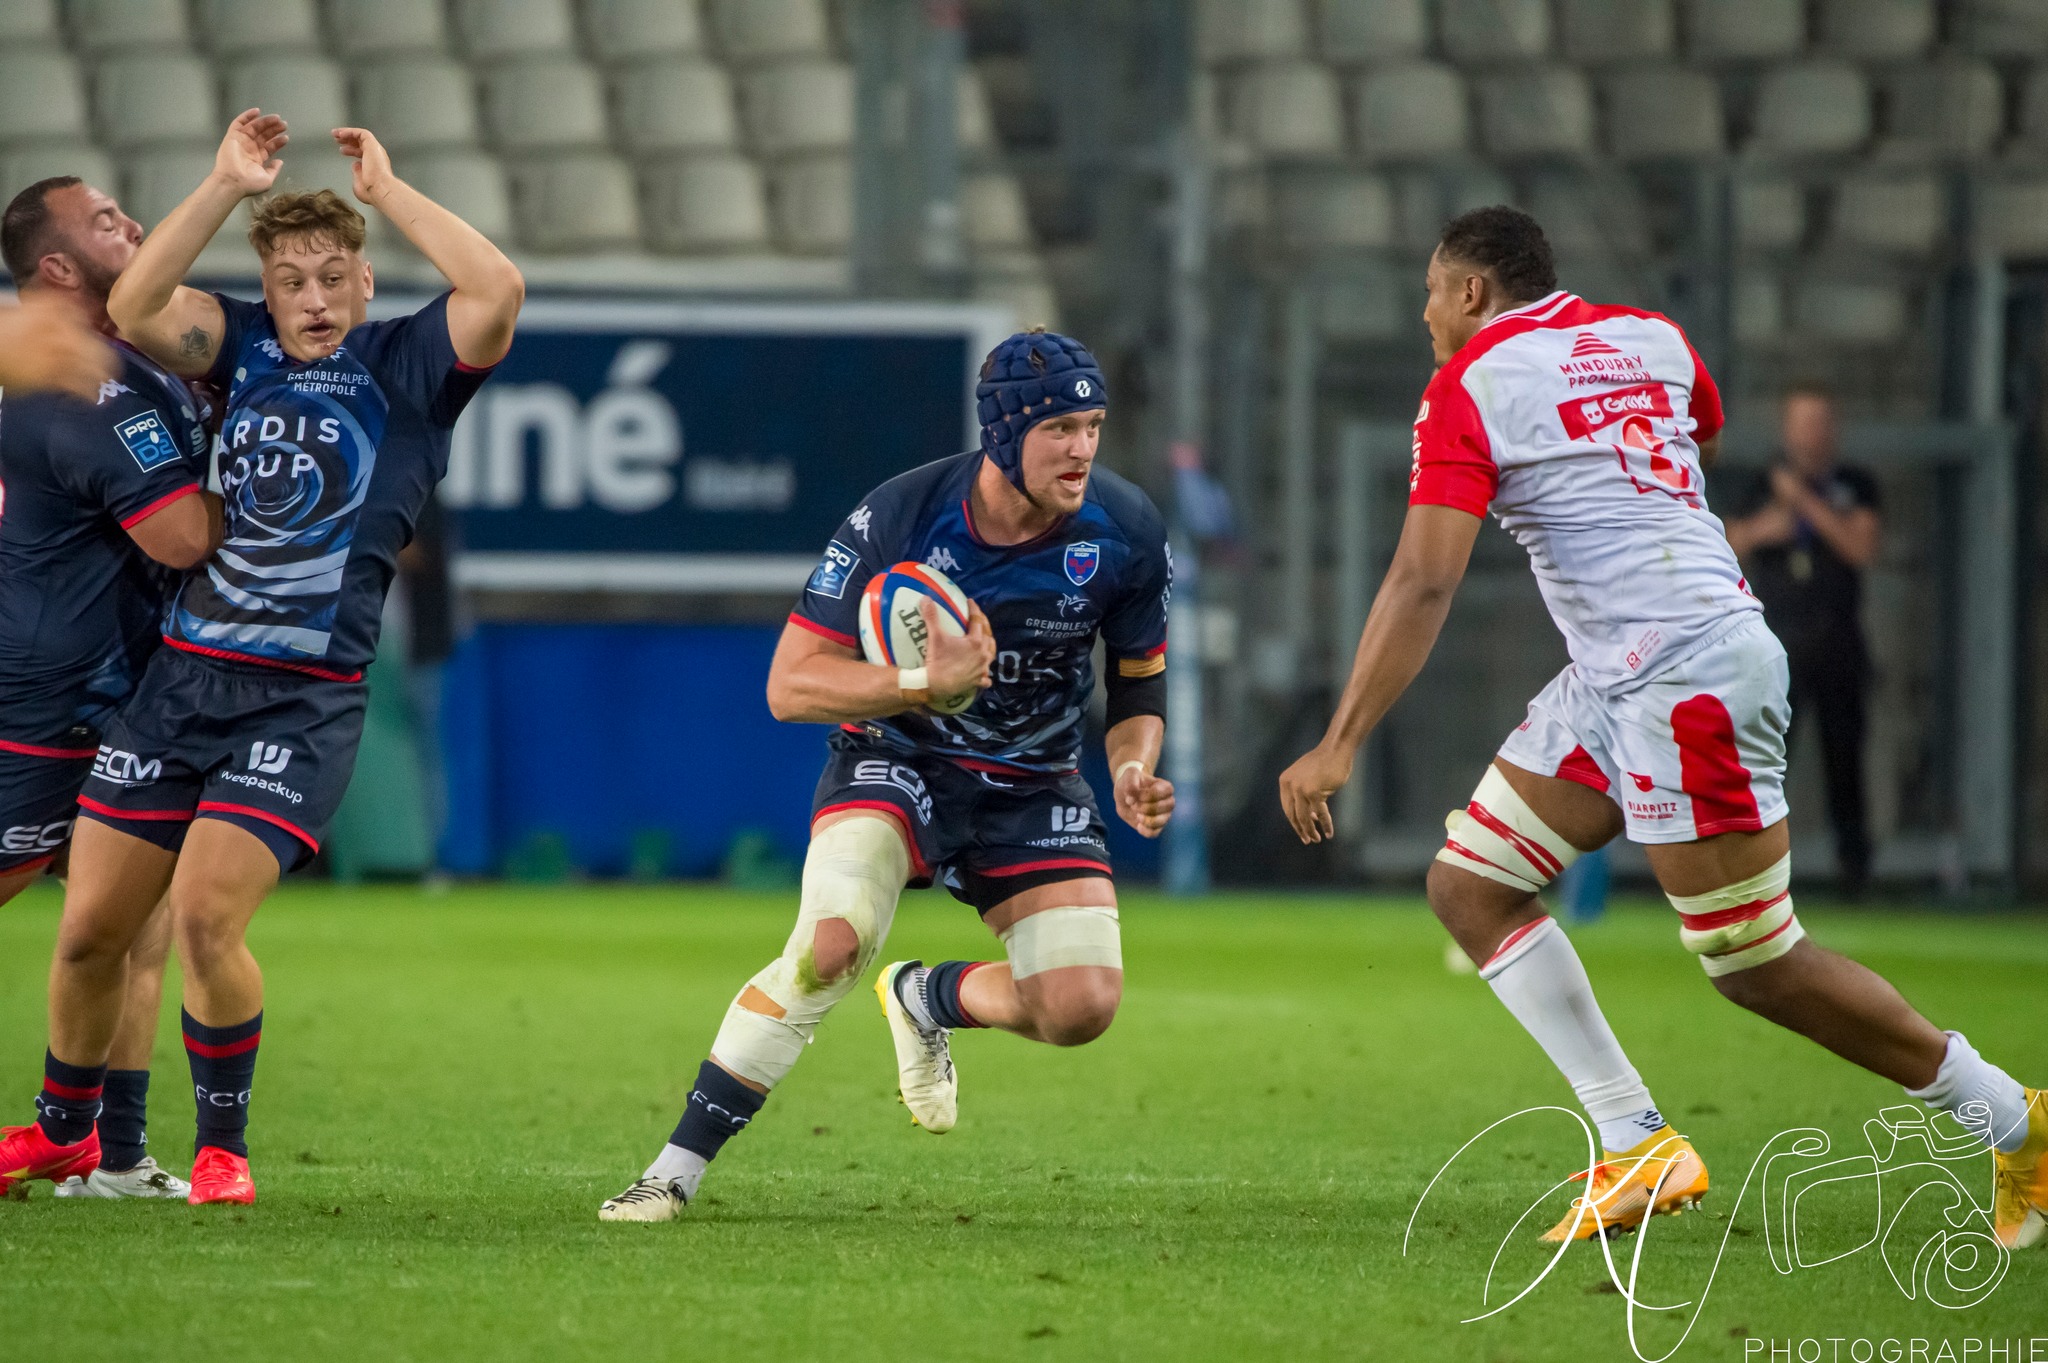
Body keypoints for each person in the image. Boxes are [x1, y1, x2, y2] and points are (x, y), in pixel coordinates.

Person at [1277, 207, 2044, 1249]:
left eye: (1429, 292)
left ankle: (2015, 1121)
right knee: (1469, 886)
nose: (1424, 315)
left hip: (1685, 678)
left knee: (1753, 960)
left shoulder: (1470, 383)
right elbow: (1698, 435)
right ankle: (1635, 1141)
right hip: (1620, 671)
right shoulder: (1651, 336)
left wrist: (1339, 743)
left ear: (1470, 292)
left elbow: (1422, 580)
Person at [0, 110, 522, 1206]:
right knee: (91, 931)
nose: (314, 299)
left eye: (333, 277)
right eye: (291, 281)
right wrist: (226, 184)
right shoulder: (237, 346)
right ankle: (64, 1134)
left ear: (365, 282)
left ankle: (222, 1149)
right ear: (267, 293)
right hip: (179, 680)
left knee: (202, 917)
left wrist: (389, 195)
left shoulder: (409, 366)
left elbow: (497, 288)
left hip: (301, 700)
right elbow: (134, 305)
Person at [599, 330, 1177, 1222]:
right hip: (897, 756)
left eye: (1093, 425)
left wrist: (1134, 765)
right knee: (829, 946)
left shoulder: (1126, 529)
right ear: (1004, 432)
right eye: (1060, 428)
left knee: (1080, 1006)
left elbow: (1138, 685)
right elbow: (790, 686)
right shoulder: (901, 516)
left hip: (1032, 781)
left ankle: (923, 994)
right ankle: (670, 1172)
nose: (1083, 449)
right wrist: (919, 685)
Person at [0, 176, 224, 1199]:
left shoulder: (133, 356)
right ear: (55, 266)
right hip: (42, 702)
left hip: (121, 689)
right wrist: (295, 504)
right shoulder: (78, 389)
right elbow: (177, 536)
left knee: (138, 923)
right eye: (103, 222)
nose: (131, 225)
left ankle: (115, 1154)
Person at [1724, 384, 1881, 897]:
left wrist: (1805, 506)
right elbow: (1726, 543)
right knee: (1763, 763)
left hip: (1838, 644)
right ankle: (1748, 872)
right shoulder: (1759, 483)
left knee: (1845, 763)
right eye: (1802, 423)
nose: (1810, 435)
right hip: (1776, 649)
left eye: (1819, 422)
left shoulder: (1854, 485)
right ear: (1786, 428)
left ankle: (1855, 874)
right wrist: (1765, 527)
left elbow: (1860, 547)